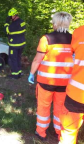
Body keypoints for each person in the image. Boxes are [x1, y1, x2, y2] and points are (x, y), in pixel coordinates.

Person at [28, 12, 74, 141]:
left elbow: (37, 60)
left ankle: (41, 132)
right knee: (60, 108)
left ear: (55, 23)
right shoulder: (73, 39)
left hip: (46, 82)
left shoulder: (46, 38)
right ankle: (59, 131)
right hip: (65, 84)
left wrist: (31, 73)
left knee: (43, 106)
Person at [59, 25, 84, 144]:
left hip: (77, 93)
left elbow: (72, 53)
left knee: (69, 130)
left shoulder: (80, 31)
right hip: (77, 91)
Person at [4, 8, 26, 79]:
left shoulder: (13, 25)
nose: (10, 18)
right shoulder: (22, 22)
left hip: (14, 45)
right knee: (18, 58)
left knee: (13, 59)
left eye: (10, 17)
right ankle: (19, 72)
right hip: (21, 44)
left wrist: (6, 23)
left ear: (14, 15)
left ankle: (15, 74)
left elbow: (6, 31)